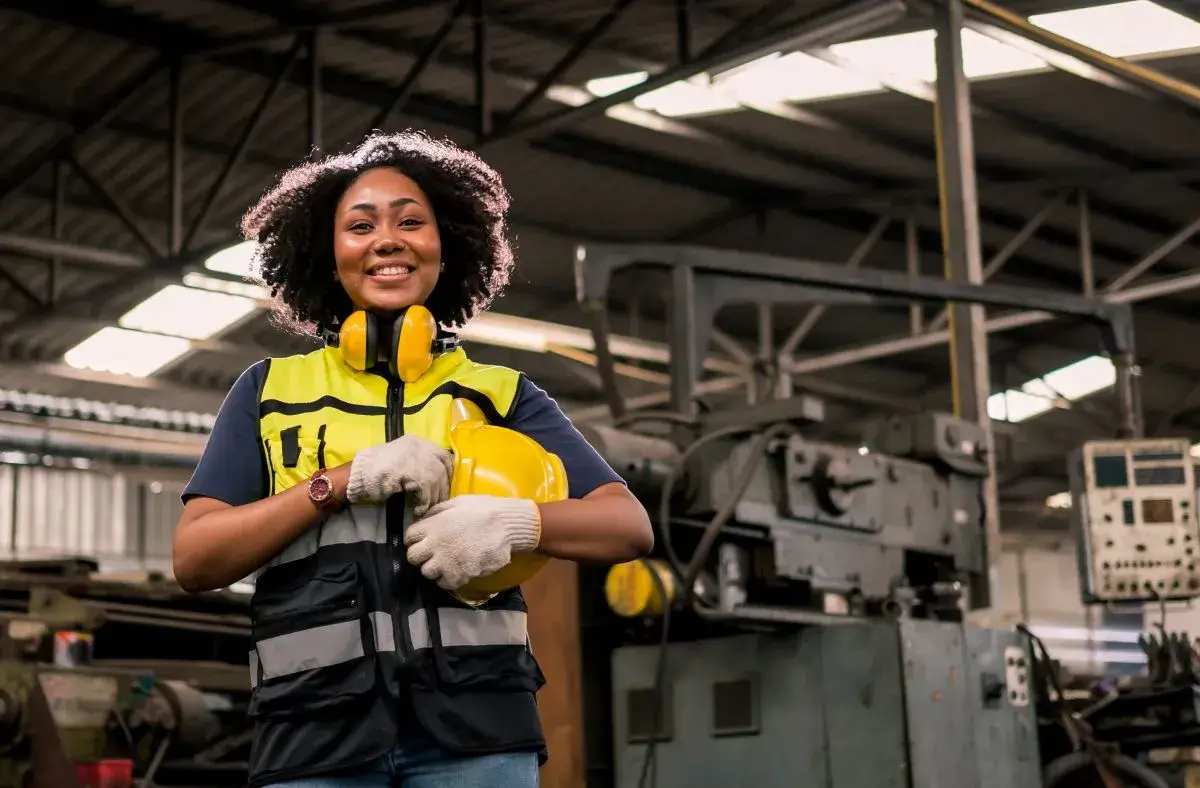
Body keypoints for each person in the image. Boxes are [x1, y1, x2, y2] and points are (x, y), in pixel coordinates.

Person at [171, 131, 654, 788]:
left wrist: (520, 523)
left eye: (411, 221)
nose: (387, 239)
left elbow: (627, 525)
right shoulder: (268, 392)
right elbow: (196, 558)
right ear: (327, 251)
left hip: (478, 732)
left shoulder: (504, 393)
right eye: (360, 225)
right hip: (315, 735)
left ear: (445, 245)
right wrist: (337, 483)